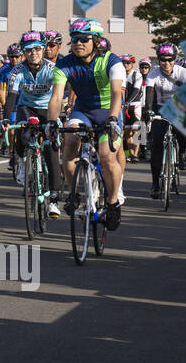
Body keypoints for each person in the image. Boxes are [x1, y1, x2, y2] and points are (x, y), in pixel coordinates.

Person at [57, 17, 125, 230]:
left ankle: (113, 202)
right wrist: (52, 123)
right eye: (74, 39)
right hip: (83, 111)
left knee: (106, 156)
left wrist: (113, 119)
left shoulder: (111, 61)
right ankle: (73, 194)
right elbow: (55, 97)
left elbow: (116, 94)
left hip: (108, 112)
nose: (78, 43)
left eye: (84, 39)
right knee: (69, 141)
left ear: (95, 41)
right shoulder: (65, 63)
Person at [7, 30, 68, 218]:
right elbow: (12, 97)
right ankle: (24, 161)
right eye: (29, 50)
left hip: (48, 108)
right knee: (22, 134)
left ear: (43, 50)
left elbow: (59, 94)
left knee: (51, 149)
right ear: (24, 53)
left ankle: (54, 200)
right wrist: (5, 118)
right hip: (27, 108)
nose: (34, 53)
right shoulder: (17, 71)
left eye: (38, 49)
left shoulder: (53, 69)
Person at [142, 43, 186, 198]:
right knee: (156, 145)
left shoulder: (182, 73)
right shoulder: (153, 74)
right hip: (160, 110)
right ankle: (156, 185)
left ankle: (183, 150)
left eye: (170, 59)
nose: (167, 63)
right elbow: (149, 93)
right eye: (163, 59)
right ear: (158, 60)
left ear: (175, 59)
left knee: (183, 127)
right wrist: (148, 111)